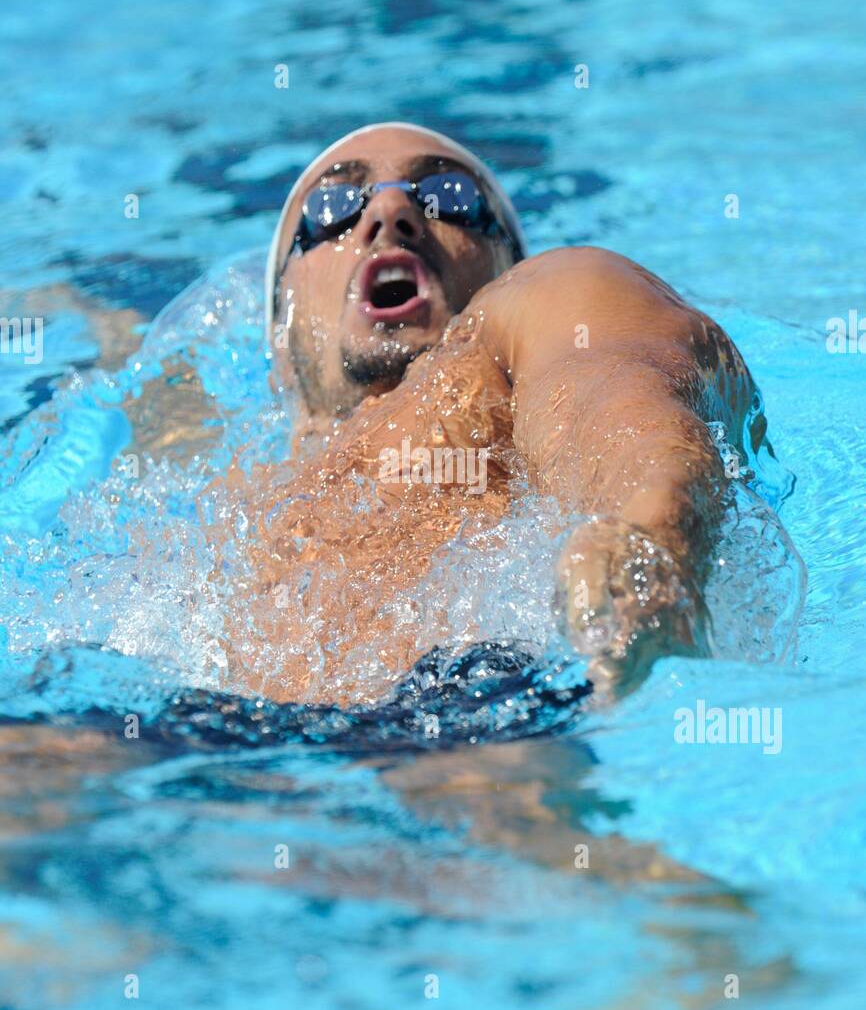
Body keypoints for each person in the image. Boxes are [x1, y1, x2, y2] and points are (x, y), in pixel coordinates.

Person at [213, 121, 772, 705]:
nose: (392, 208)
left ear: (509, 269)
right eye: (331, 208)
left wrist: (647, 541)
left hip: (474, 705)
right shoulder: (231, 481)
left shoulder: (534, 311)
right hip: (211, 732)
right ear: (279, 333)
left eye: (451, 198)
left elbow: (605, 385)